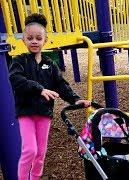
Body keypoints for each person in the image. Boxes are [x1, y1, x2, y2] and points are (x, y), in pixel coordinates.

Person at [9, 13, 91, 180]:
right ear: (23, 40)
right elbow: (16, 79)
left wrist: (75, 99)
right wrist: (39, 89)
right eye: (30, 38)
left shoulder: (50, 64)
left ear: (45, 41)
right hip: (26, 112)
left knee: (40, 152)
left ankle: (35, 178)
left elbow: (61, 84)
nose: (34, 41)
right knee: (29, 150)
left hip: (44, 113)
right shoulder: (19, 61)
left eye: (38, 38)